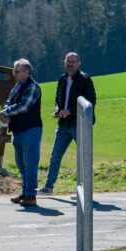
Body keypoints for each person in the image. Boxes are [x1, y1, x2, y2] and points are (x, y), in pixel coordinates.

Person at [39, 52, 97, 194]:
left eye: (73, 62)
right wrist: (58, 109)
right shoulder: (62, 79)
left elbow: (91, 100)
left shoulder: (85, 79)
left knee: (83, 158)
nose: (70, 64)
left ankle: (85, 190)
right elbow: (57, 98)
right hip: (63, 125)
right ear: (64, 63)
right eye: (68, 61)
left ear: (79, 63)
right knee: (55, 156)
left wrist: (70, 110)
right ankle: (48, 187)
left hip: (80, 124)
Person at [0, 58, 42, 206]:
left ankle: (31, 196)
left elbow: (24, 106)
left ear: (27, 72)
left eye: (17, 71)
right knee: (21, 165)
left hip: (31, 130)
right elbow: (9, 101)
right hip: (18, 130)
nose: (14, 73)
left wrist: (6, 113)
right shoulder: (17, 86)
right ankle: (25, 192)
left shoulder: (33, 87)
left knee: (30, 165)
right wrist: (6, 113)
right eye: (14, 70)